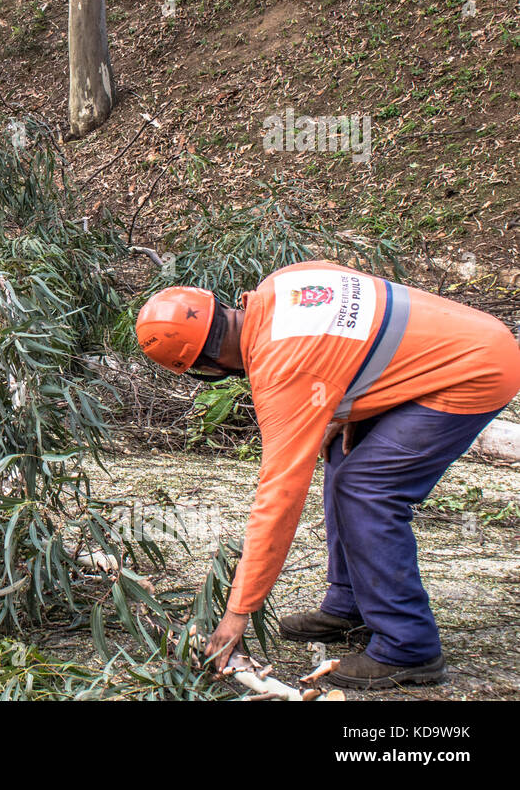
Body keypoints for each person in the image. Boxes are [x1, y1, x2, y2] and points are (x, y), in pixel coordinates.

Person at [135, 260, 520, 688]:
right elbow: (360, 334)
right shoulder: (282, 284)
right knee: (339, 451)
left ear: (207, 365)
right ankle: (349, 603)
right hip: (469, 338)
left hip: (476, 371)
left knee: (366, 488)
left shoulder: (282, 371)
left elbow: (279, 497)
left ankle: (407, 646)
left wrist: (236, 614)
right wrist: (356, 407)